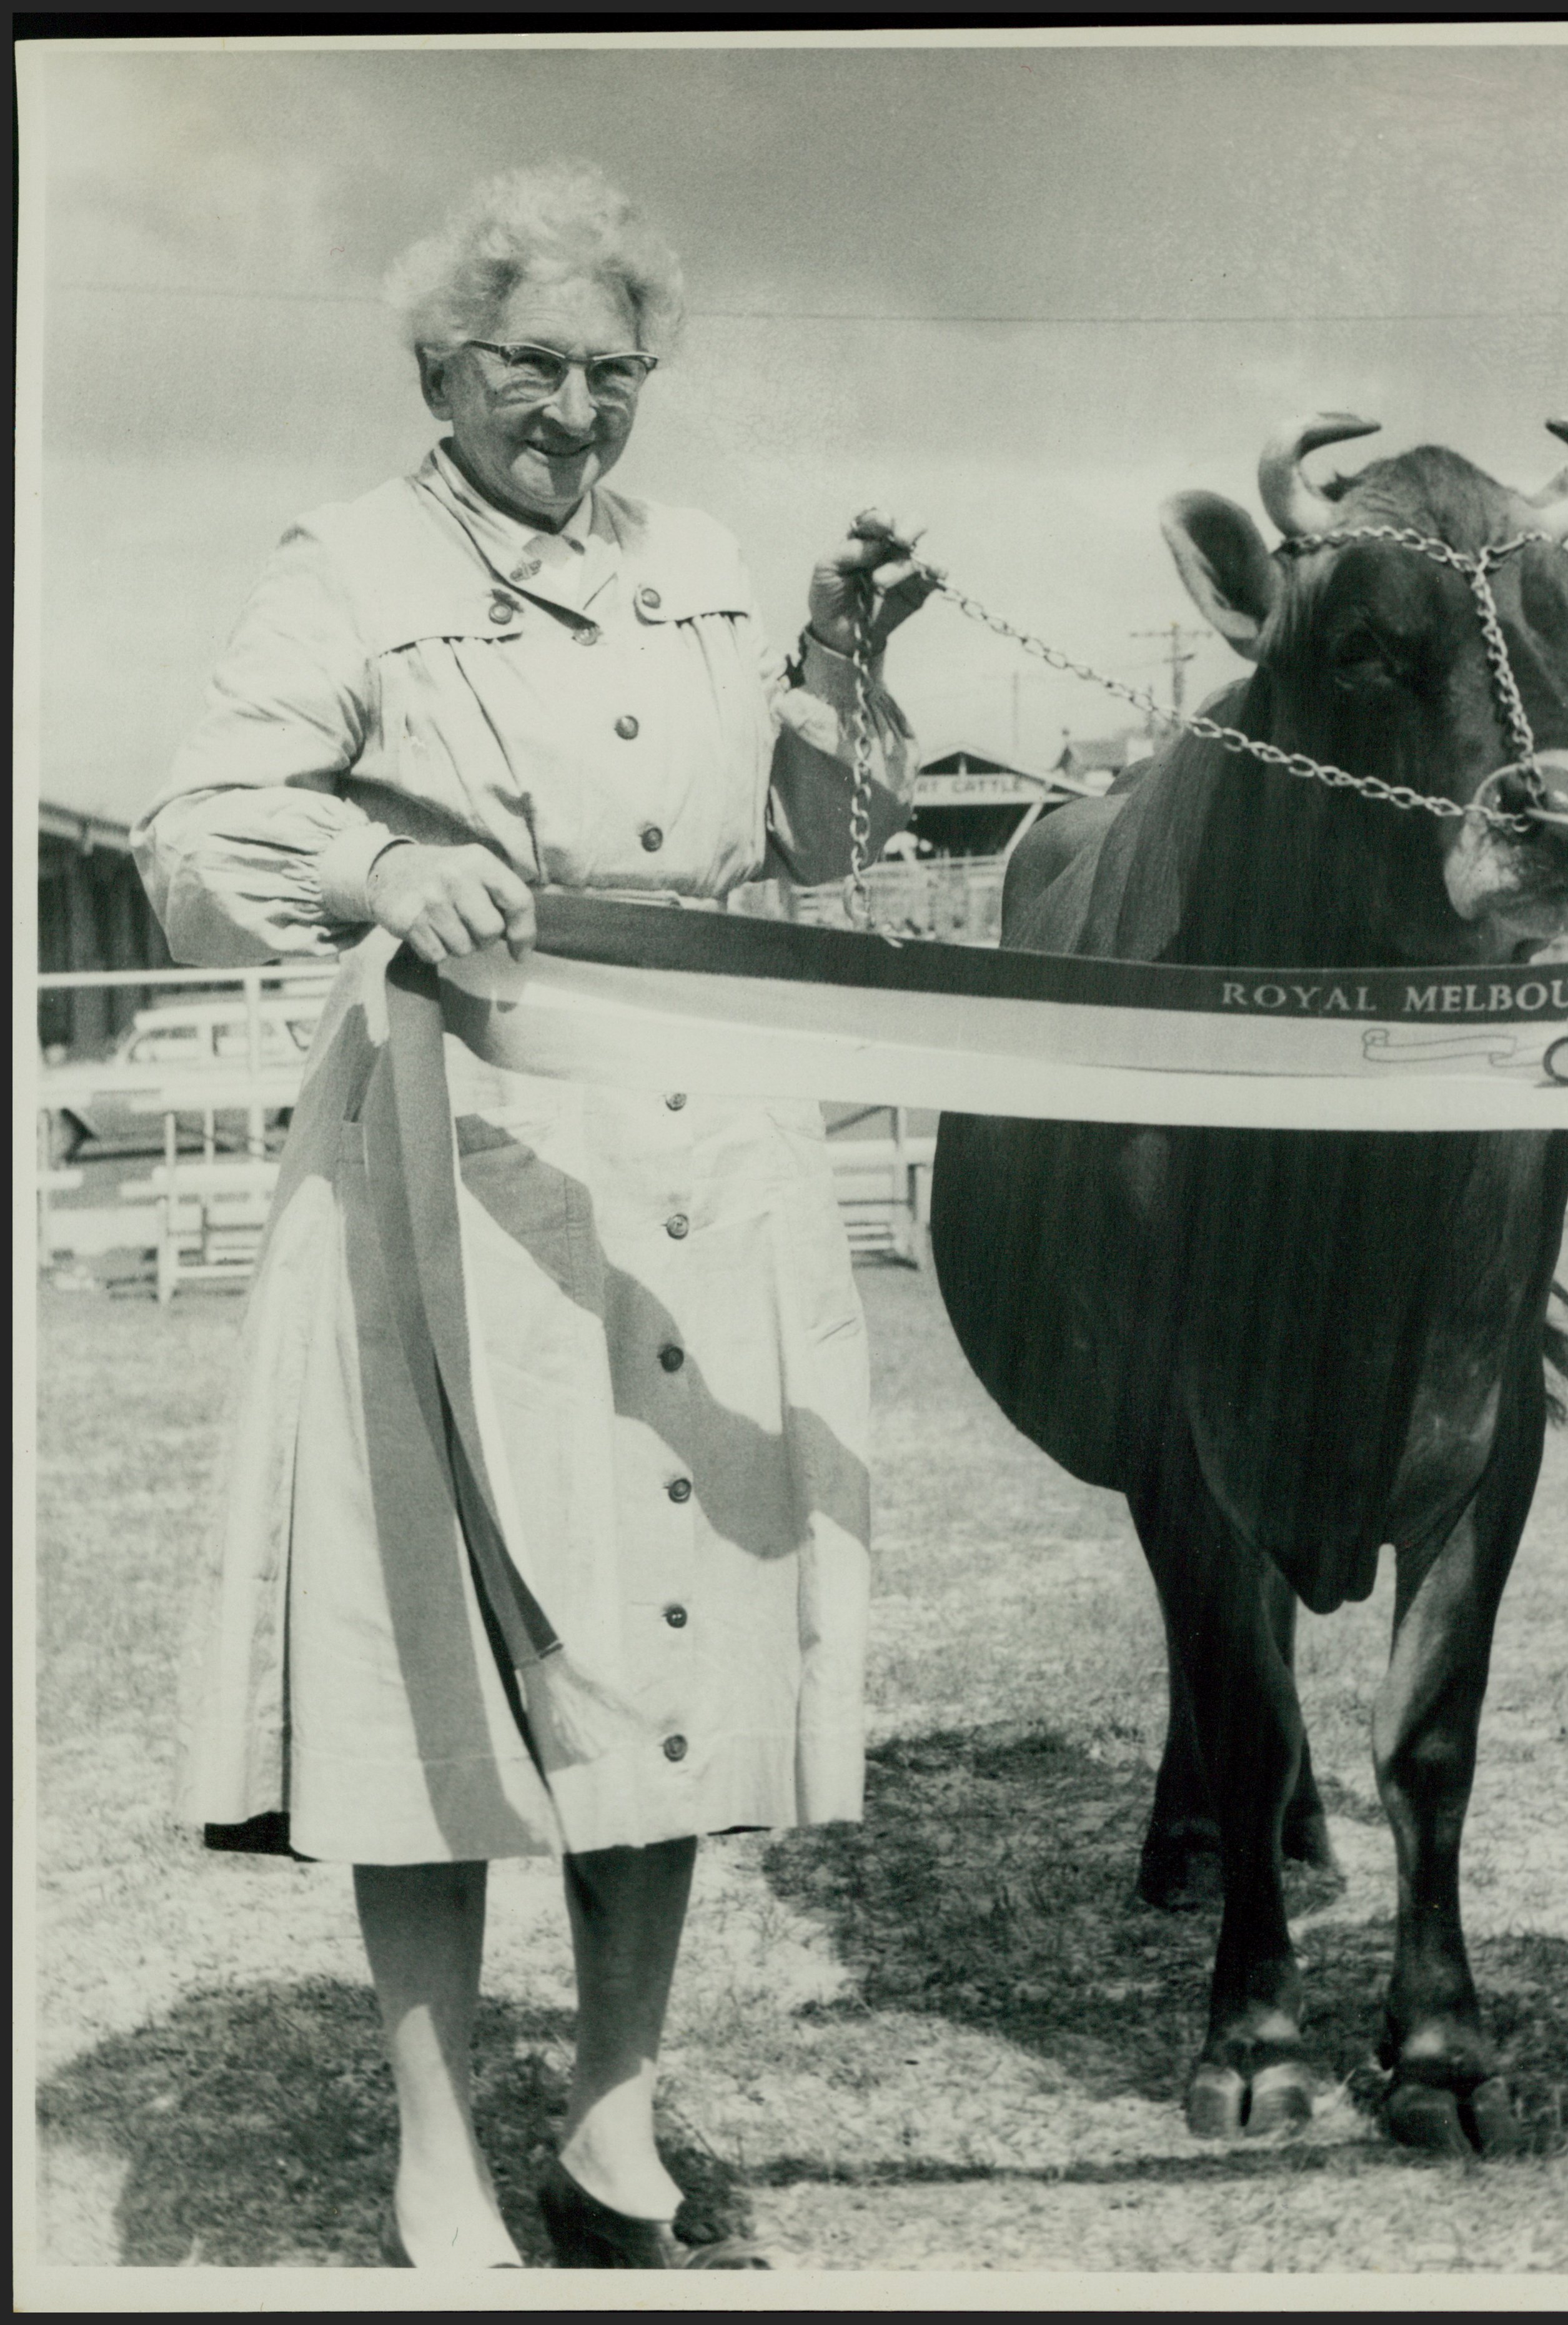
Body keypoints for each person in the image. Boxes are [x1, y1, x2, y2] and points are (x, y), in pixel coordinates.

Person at [134, 162, 932, 2270]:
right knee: (441, 1679)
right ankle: (433, 2150)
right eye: (530, 370)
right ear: (443, 369)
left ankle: (616, 2123)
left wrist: (844, 659)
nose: (573, 414)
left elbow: (814, 840)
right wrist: (376, 876)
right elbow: (191, 841)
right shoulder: (352, 563)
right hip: (453, 1168)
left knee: (670, 1647)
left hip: (692, 1168)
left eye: (613, 374)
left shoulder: (705, 562)